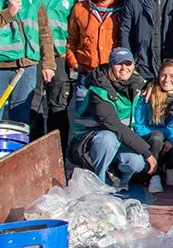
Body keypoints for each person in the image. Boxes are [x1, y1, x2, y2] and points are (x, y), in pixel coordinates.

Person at [67, 47, 157, 188]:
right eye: (119, 64)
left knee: (136, 163)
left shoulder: (136, 85)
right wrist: (147, 152)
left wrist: (152, 84)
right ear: (110, 66)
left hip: (119, 138)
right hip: (88, 142)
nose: (124, 68)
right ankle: (99, 183)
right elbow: (115, 126)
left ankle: (119, 181)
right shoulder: (98, 92)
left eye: (128, 64)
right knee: (107, 138)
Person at [20, 0, 77, 143]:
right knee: (32, 108)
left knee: (59, 108)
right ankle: (31, 154)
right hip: (31, 56)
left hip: (59, 57)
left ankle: (57, 156)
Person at [133, 59, 173, 193]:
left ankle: (170, 168)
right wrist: (169, 133)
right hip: (150, 142)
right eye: (163, 75)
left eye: (172, 76)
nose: (166, 79)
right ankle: (154, 175)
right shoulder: (148, 97)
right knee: (157, 136)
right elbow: (138, 125)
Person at [66, 0, 125, 85]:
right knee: (83, 103)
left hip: (114, 73)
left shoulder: (125, 9)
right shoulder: (80, 8)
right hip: (87, 72)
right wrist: (74, 63)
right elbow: (71, 38)